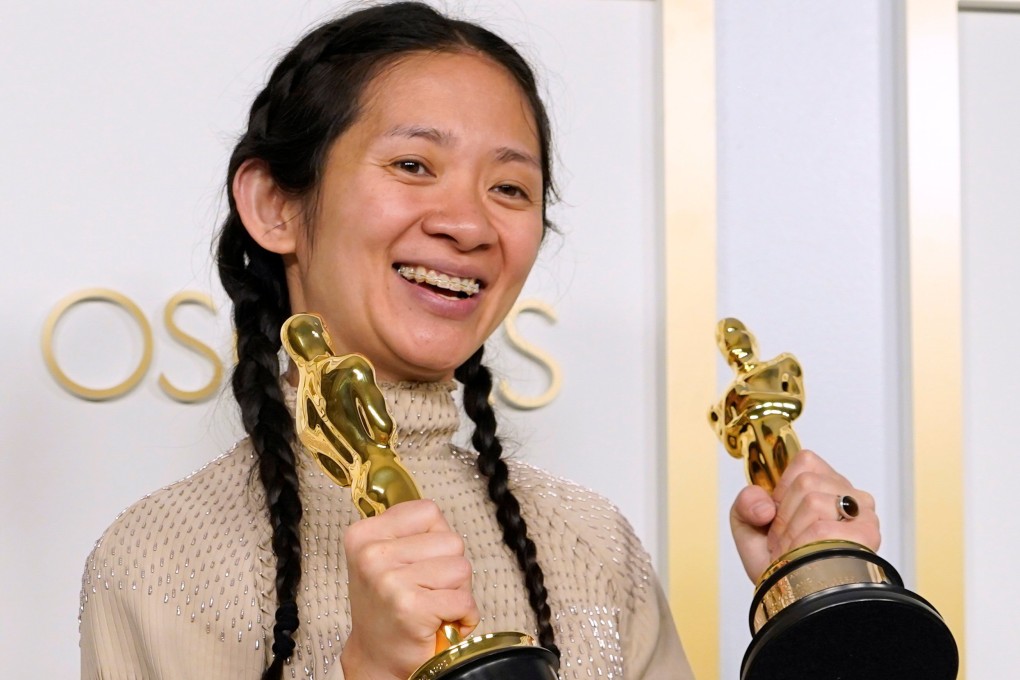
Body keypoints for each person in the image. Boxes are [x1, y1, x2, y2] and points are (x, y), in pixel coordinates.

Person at [78, 3, 880, 679]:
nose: (467, 223)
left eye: (509, 187)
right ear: (274, 205)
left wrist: (825, 612)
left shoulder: (593, 544)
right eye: (413, 164)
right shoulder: (160, 560)